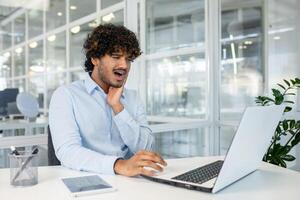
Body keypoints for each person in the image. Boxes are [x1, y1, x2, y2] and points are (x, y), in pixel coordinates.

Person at [49, 24, 167, 177]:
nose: (124, 65)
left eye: (128, 59)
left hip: (132, 184)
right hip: (86, 184)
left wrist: (118, 107)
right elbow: (67, 151)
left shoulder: (133, 98)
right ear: (95, 59)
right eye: (116, 57)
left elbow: (147, 149)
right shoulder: (66, 95)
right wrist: (119, 165)